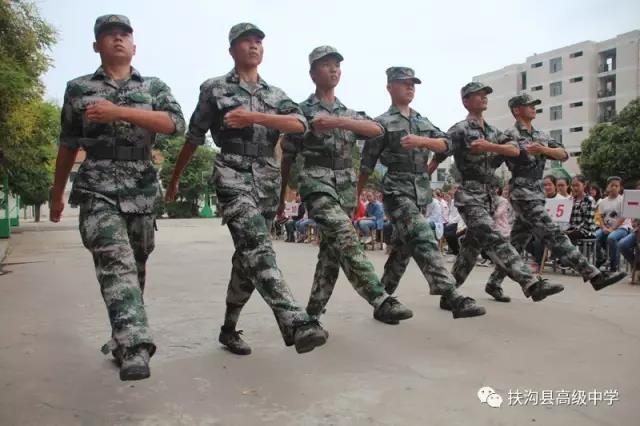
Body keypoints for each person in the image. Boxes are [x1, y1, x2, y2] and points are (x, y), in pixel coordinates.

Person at [166, 23, 327, 355]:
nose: (253, 46)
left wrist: (256, 118)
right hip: (232, 173)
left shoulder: (276, 94)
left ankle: (228, 327)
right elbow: (194, 136)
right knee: (258, 248)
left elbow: (299, 123)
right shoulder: (214, 89)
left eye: (258, 42)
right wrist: (175, 178)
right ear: (231, 50)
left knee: (247, 258)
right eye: (245, 42)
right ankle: (295, 321)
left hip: (266, 178)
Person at [49, 15, 185, 380]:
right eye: (109, 35)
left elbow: (176, 125)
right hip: (97, 187)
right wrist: (56, 193)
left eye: (124, 34)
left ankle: (120, 336)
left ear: (134, 45)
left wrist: (119, 112)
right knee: (116, 263)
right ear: (97, 45)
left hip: (141, 187)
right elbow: (67, 144)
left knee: (135, 268)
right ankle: (136, 347)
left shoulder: (154, 86)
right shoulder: (78, 88)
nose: (118, 39)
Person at [280, 46, 413, 327]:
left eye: (337, 65)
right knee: (345, 236)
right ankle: (380, 298)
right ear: (312, 73)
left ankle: (312, 315)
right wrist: (281, 197)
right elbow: (288, 157)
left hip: (345, 190)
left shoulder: (350, 113)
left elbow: (378, 130)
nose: (334, 70)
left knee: (331, 254)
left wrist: (339, 122)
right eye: (326, 65)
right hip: (317, 185)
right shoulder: (301, 113)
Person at [358, 68, 486, 319]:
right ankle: (452, 294)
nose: (410, 88)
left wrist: (423, 142)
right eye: (404, 83)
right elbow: (366, 164)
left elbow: (447, 144)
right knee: (423, 236)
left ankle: (382, 299)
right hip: (397, 191)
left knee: (402, 249)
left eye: (413, 84)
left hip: (421, 194)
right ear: (389, 87)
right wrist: (355, 196)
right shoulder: (381, 123)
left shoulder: (422, 121)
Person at [428, 83, 564, 309]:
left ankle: (449, 293)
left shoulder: (493, 132)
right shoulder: (460, 129)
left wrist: (492, 146)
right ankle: (530, 282)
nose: (483, 98)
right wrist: (426, 175)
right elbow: (442, 152)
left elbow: (515, 150)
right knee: (493, 237)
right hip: (469, 195)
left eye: (485, 95)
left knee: (470, 250)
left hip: (488, 196)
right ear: (466, 101)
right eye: (478, 95)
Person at [482, 94, 624, 298]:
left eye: (534, 105)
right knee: (553, 233)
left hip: (537, 191)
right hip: (522, 192)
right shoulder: (508, 134)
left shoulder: (541, 135)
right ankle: (593, 274)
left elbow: (563, 154)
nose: (533, 108)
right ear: (516, 110)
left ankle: (494, 282)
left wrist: (543, 149)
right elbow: (494, 160)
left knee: (517, 242)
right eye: (529, 105)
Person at [595, 176, 631, 271]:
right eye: (612, 185)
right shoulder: (603, 201)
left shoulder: (623, 200)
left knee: (612, 238)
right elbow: (600, 217)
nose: (614, 187)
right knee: (595, 236)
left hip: (622, 228)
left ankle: (613, 265)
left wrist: (612, 229)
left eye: (617, 186)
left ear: (620, 187)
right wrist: (603, 227)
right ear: (608, 187)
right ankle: (601, 258)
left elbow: (622, 218)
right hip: (606, 227)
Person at [565, 175, 597, 243]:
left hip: (586, 231)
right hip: (572, 229)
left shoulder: (589, 200)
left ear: (584, 185)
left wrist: (573, 230)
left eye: (577, 185)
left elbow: (588, 221)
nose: (575, 188)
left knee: (566, 236)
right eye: (573, 186)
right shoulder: (570, 200)